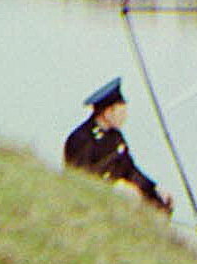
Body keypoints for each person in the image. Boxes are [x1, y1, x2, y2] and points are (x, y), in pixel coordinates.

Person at [64, 77, 173, 213]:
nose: (125, 117)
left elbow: (130, 170)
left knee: (160, 203)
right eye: (121, 112)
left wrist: (154, 188)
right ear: (108, 113)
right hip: (97, 203)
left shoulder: (116, 137)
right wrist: (114, 188)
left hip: (121, 197)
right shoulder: (80, 139)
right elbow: (82, 180)